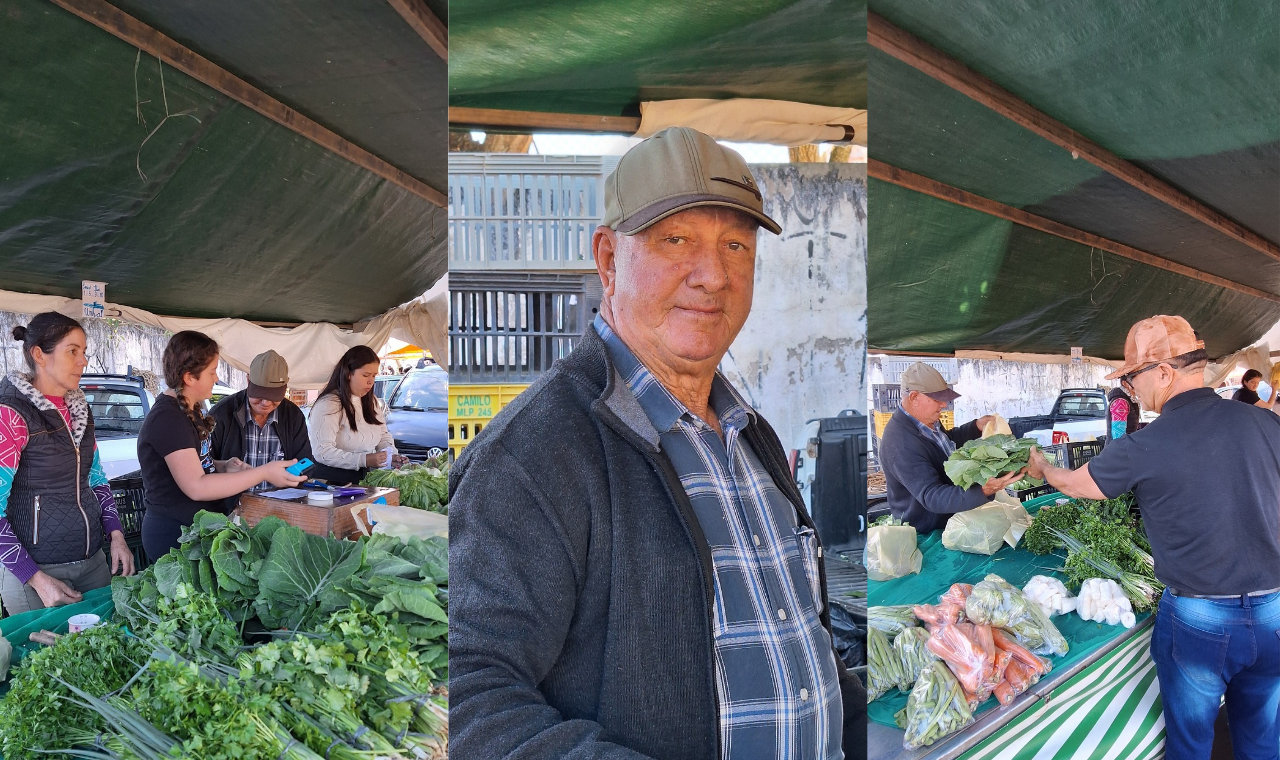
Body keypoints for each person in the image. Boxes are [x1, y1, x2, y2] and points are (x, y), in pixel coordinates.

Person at [449, 128, 864, 760]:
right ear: (609, 260)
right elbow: (468, 686)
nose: (714, 276)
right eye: (677, 241)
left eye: (736, 244)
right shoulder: (535, 452)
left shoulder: (751, 434)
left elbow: (794, 639)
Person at [1027, 315, 1280, 760]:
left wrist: (1043, 468)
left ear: (1164, 372)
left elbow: (1076, 485)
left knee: (1190, 743)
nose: (1129, 389)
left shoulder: (1145, 444)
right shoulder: (1265, 423)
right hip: (1275, 611)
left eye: (1132, 377)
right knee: (1262, 738)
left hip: (1202, 620)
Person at [0, 313, 136, 613]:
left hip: (92, 564)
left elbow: (97, 478)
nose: (83, 361)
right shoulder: (11, 414)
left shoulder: (79, 409)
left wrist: (116, 535)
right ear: (39, 354)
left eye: (84, 352)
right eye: (72, 351)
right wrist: (34, 577)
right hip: (36, 575)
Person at [137, 331, 305, 560]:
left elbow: (194, 462)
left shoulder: (188, 410)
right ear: (189, 377)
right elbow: (196, 486)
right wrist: (263, 472)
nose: (216, 379)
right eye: (212, 372)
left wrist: (223, 465)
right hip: (175, 536)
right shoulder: (168, 419)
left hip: (197, 530)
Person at [879, 363, 1019, 533]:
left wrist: (975, 427)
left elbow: (945, 443)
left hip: (952, 520)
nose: (944, 404)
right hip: (928, 533)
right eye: (937, 399)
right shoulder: (900, 443)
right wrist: (982, 491)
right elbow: (932, 496)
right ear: (914, 397)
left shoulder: (926, 421)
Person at [208, 349, 313, 512]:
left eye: (273, 396)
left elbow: (305, 460)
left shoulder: (293, 415)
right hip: (231, 512)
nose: (266, 402)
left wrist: (294, 474)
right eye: (260, 394)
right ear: (248, 381)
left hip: (280, 511)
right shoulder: (221, 415)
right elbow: (205, 467)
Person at [307, 345, 405, 485]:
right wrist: (365, 459)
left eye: (374, 375)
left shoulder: (372, 401)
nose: (371, 381)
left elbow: (382, 435)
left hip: (365, 480)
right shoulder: (329, 404)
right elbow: (323, 452)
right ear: (348, 373)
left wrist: (390, 455)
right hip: (332, 482)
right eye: (365, 375)